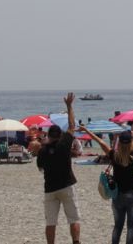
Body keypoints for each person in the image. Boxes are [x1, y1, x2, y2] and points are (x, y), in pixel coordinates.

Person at [81, 115, 133, 244]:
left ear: (119, 143)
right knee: (131, 228)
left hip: (118, 195)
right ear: (131, 142)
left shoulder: (114, 155)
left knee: (117, 227)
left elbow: (101, 142)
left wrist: (86, 131)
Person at [36, 93, 80, 244]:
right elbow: (72, 125)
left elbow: (41, 168)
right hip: (67, 185)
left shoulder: (43, 150)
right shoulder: (64, 143)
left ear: (48, 135)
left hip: (50, 188)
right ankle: (75, 242)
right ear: (59, 135)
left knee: (51, 223)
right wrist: (69, 106)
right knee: (73, 218)